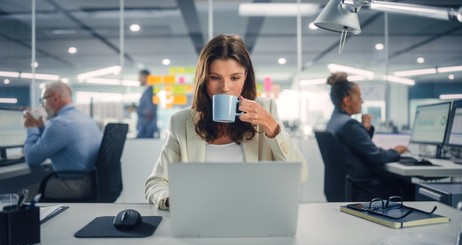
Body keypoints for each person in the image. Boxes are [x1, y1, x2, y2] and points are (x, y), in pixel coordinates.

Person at [145, 34, 308, 209]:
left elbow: (301, 175)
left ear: (246, 77)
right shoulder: (182, 121)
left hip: (254, 214)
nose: (225, 88)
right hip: (201, 216)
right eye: (215, 78)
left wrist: (271, 126)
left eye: (235, 78)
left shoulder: (265, 109)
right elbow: (156, 182)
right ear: (204, 79)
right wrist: (170, 199)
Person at [325, 72, 414, 201]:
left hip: (345, 186)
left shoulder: (334, 122)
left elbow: (355, 150)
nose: (362, 101)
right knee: (408, 187)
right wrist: (397, 150)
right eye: (359, 96)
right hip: (362, 187)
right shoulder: (349, 125)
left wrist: (364, 130)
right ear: (347, 100)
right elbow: (378, 156)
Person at [23, 81, 102, 199]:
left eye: (43, 101)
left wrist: (32, 127)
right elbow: (53, 141)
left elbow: (32, 159)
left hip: (75, 186)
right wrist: (40, 128)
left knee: (21, 195)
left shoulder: (59, 124)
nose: (43, 106)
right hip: (94, 182)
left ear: (55, 98)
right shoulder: (85, 118)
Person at [136, 69, 159, 138]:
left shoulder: (150, 90)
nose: (139, 79)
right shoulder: (148, 90)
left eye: (140, 77)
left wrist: (139, 111)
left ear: (145, 77)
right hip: (146, 125)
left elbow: (149, 110)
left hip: (146, 126)